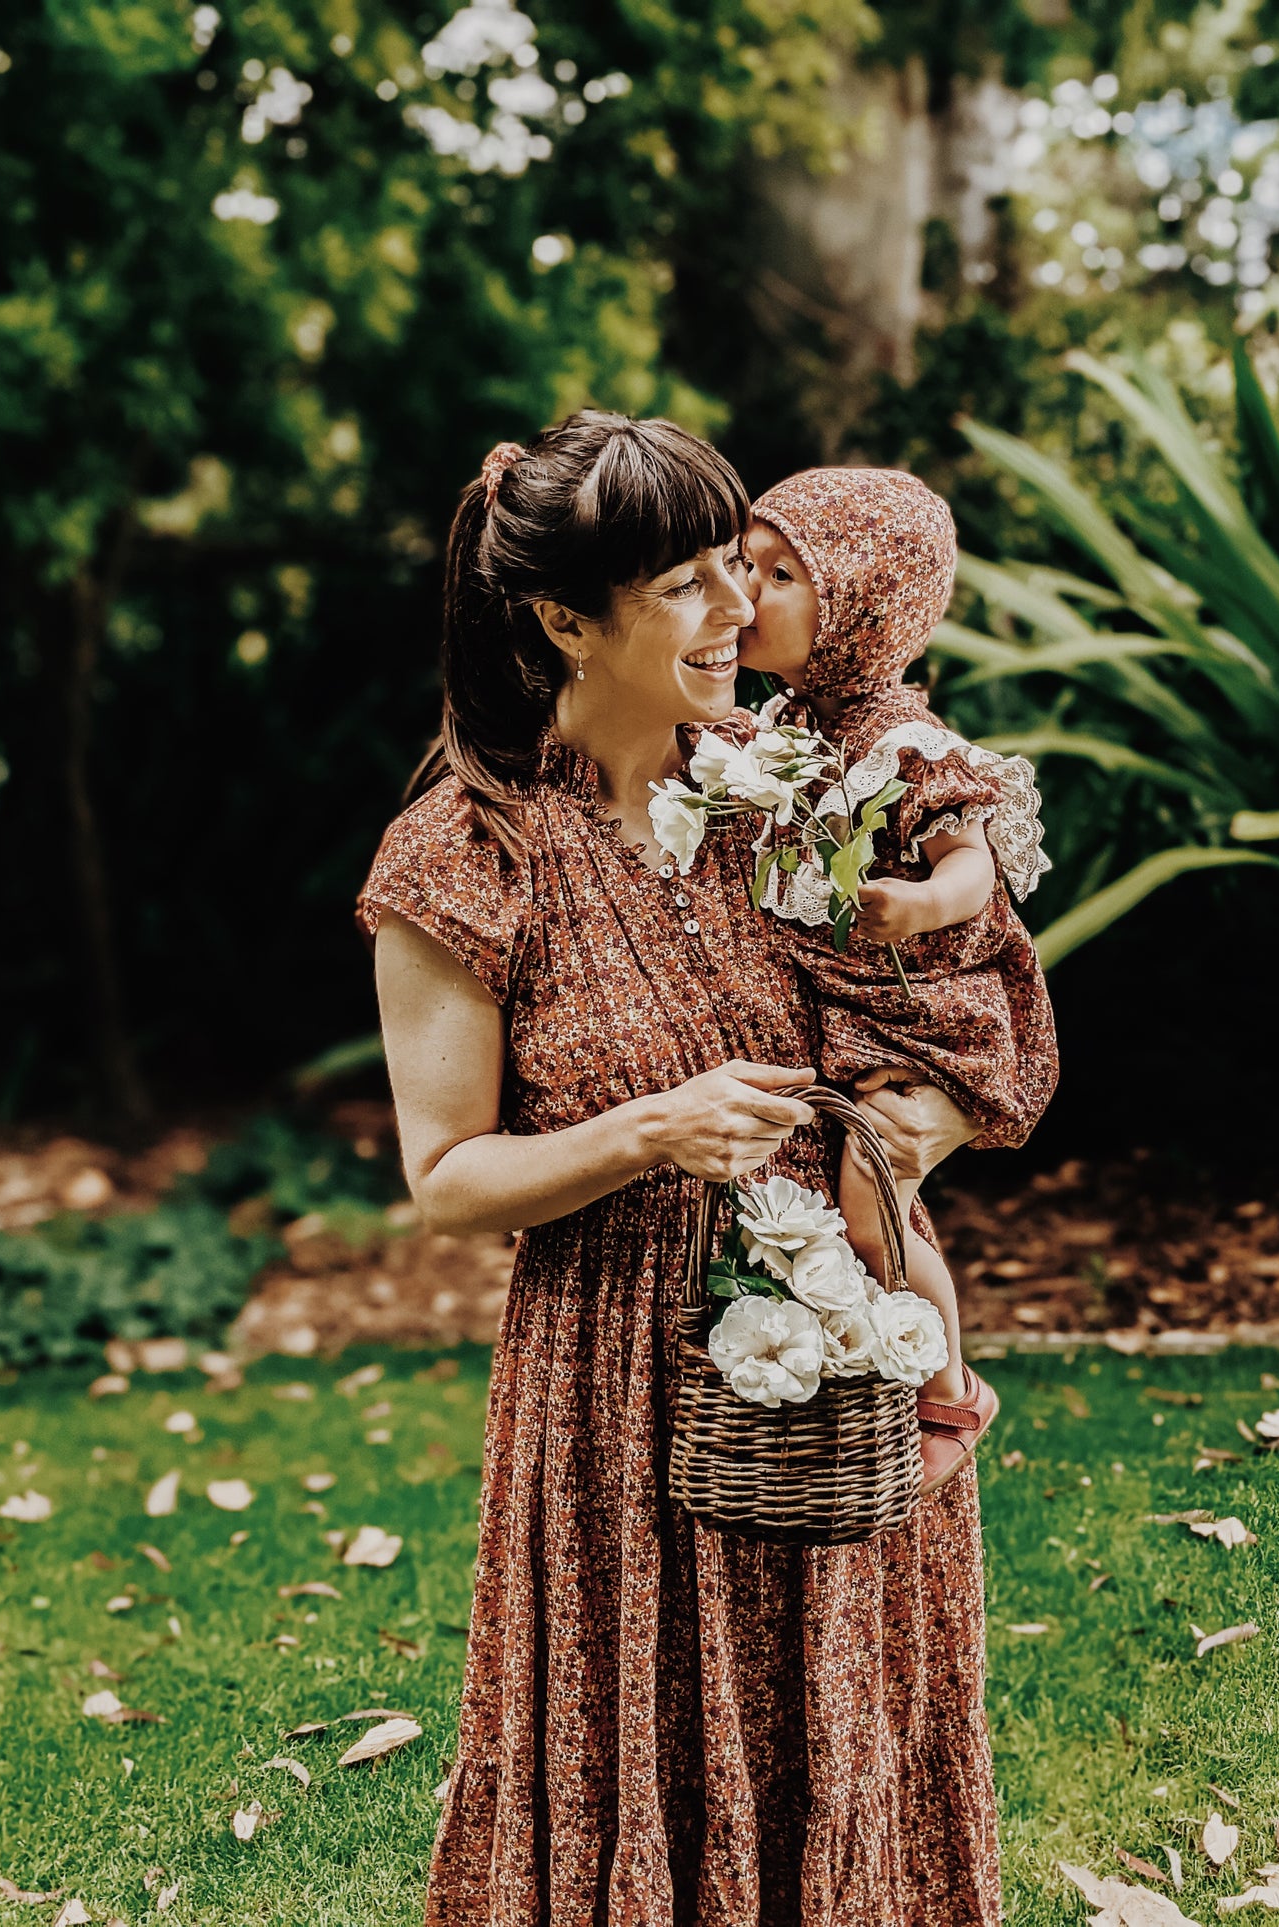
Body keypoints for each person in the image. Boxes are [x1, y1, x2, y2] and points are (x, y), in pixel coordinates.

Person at [360, 412, 1000, 1924]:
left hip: (832, 1365)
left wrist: (935, 1116)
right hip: (619, 1397)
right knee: (642, 1744)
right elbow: (445, 1175)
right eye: (689, 587)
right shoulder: (467, 852)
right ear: (567, 621)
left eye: (737, 567)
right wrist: (647, 1127)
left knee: (846, 1732)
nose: (740, 612)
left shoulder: (790, 785)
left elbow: (951, 989)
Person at [735, 466, 1059, 1490]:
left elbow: (973, 862)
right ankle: (877, 1357)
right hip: (856, 1011)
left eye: (782, 574)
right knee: (858, 1194)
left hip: (929, 1013)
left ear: (856, 611)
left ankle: (950, 1389)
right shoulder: (779, 731)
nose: (745, 590)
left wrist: (918, 903)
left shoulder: (902, 745)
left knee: (873, 1197)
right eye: (744, 562)